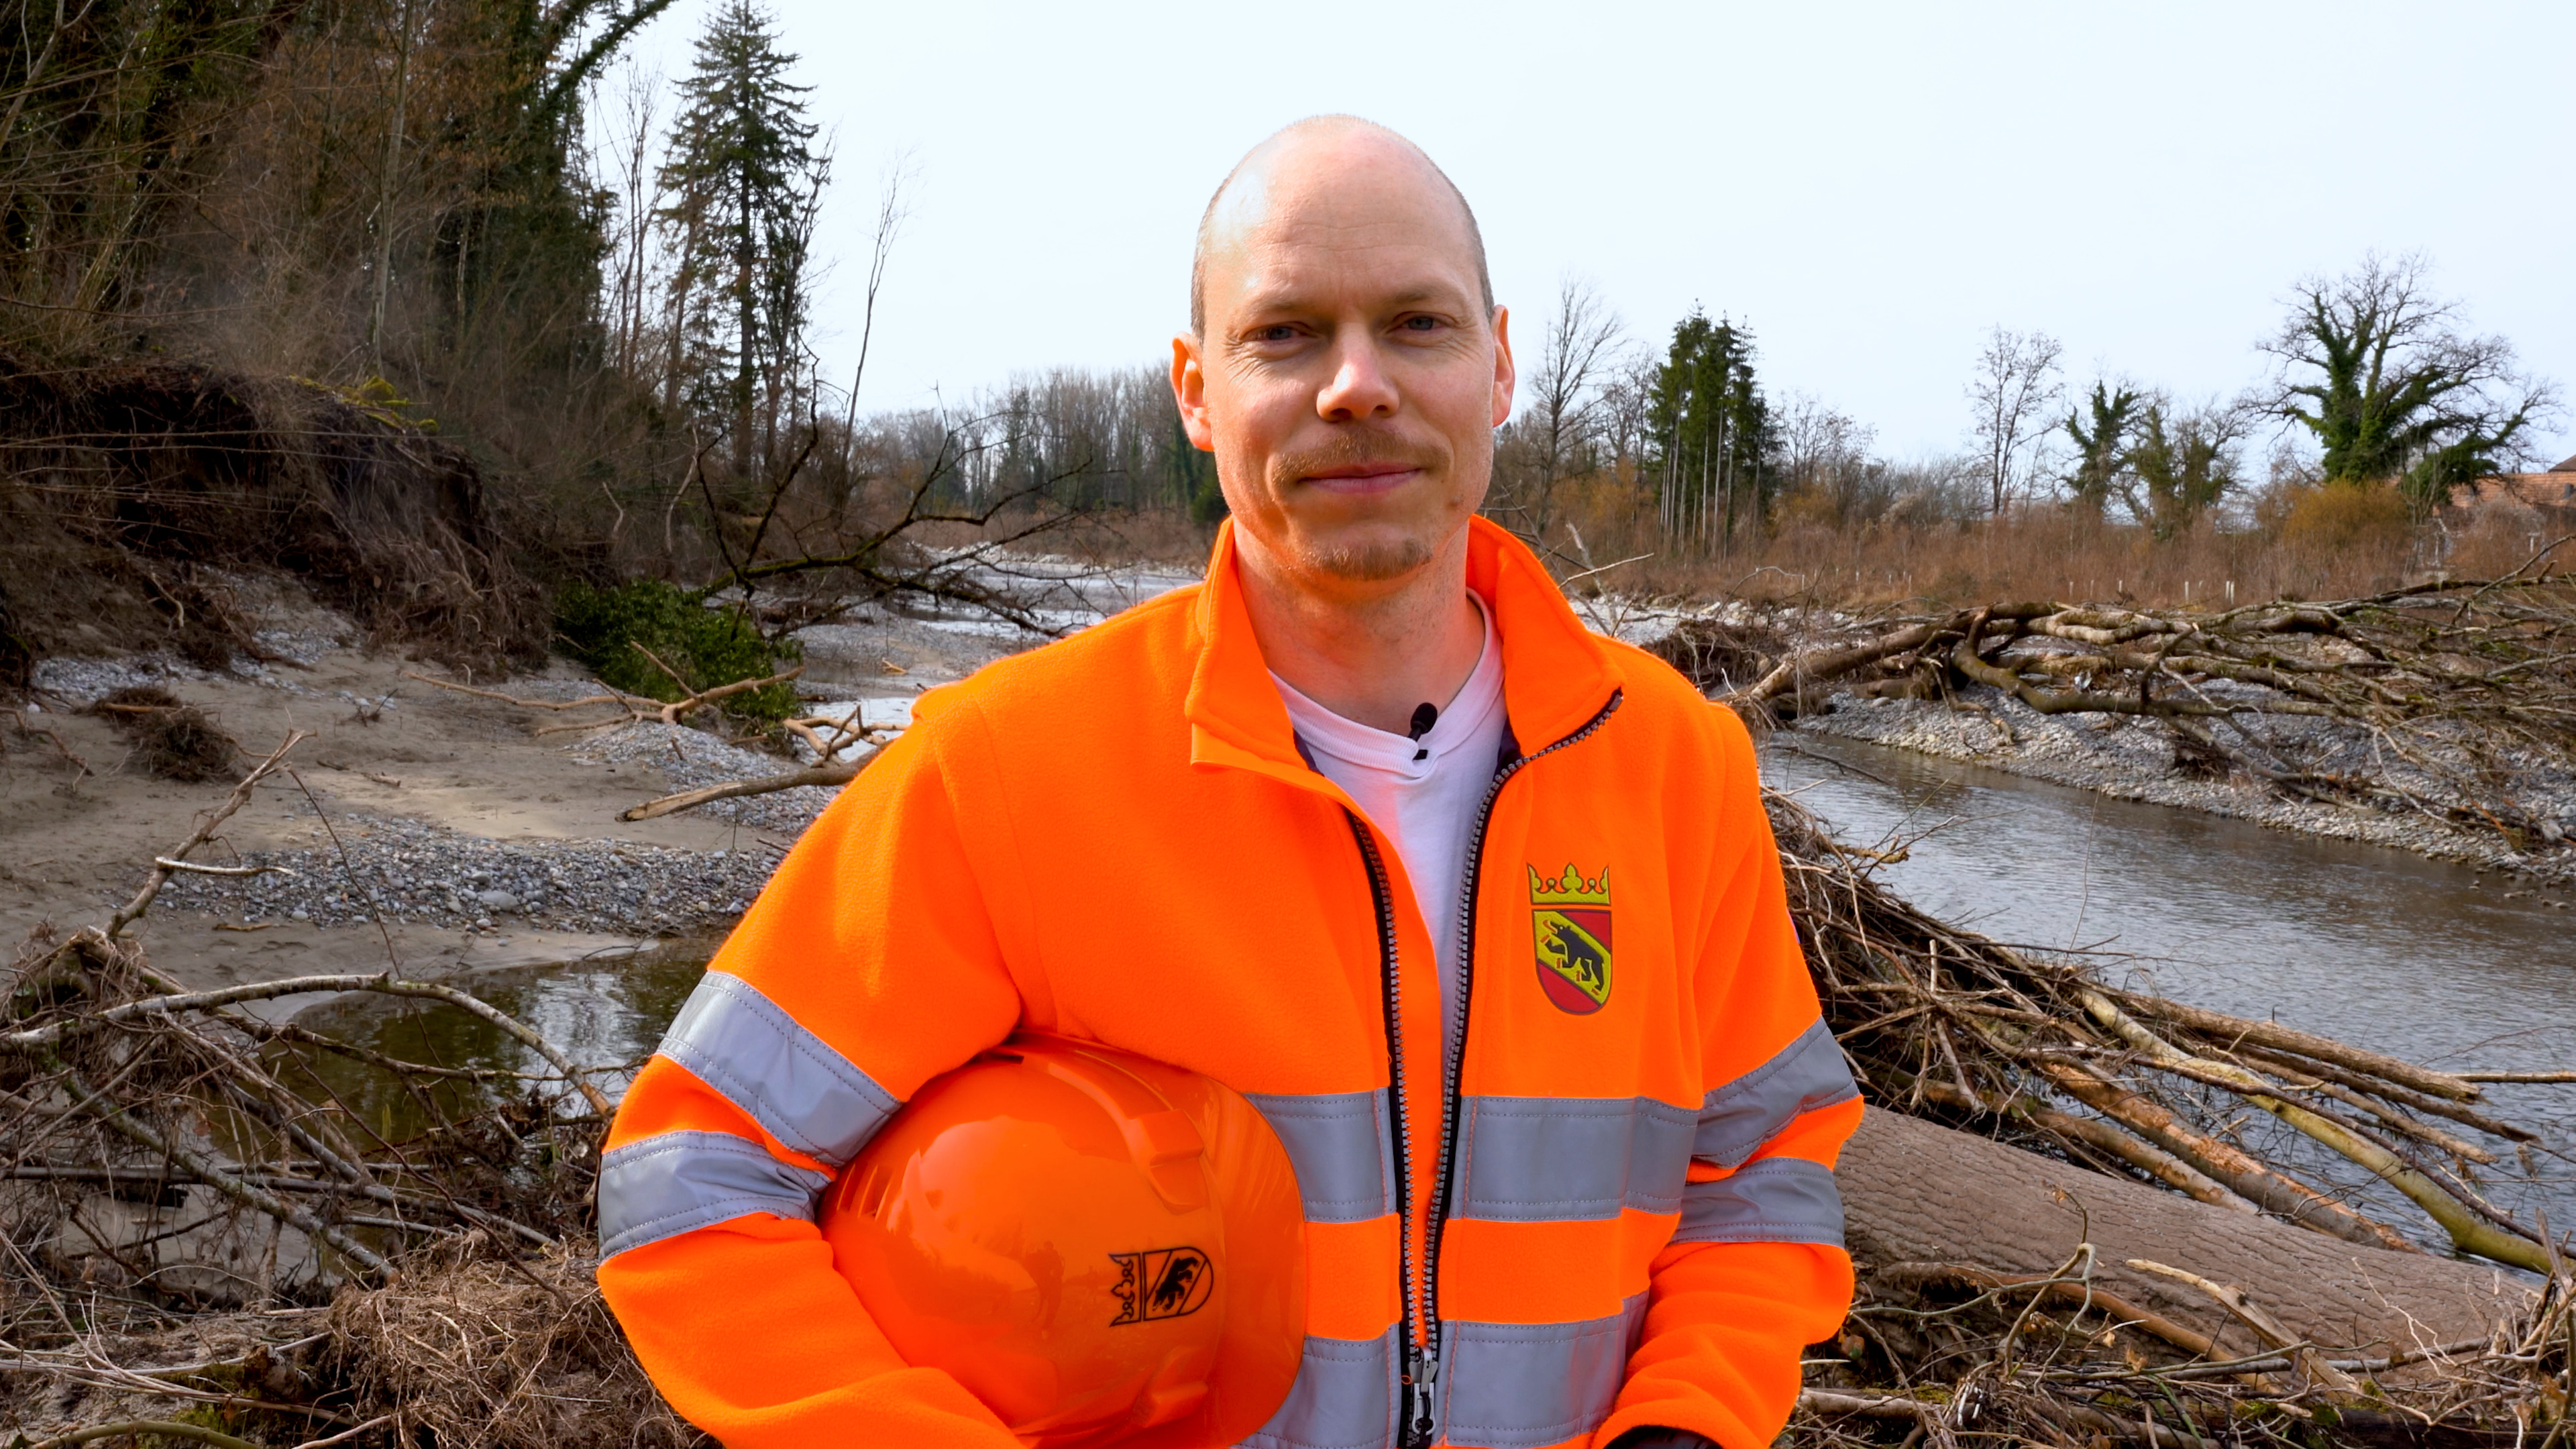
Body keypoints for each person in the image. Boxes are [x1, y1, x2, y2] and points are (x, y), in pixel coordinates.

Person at [596, 115, 1860, 1449]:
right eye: (1288, 334)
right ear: (1197, 392)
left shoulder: (1676, 769)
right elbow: (691, 1177)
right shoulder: (1013, 771)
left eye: (1417, 326)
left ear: (1499, 366)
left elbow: (1764, 1173)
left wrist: (1693, 1421)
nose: (1356, 385)